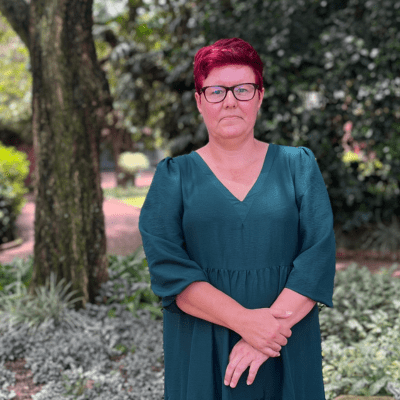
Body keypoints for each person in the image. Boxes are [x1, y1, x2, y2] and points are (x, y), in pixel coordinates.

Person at [139, 38, 336, 400]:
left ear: (259, 96)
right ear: (199, 101)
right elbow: (170, 272)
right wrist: (247, 324)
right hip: (201, 347)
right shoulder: (173, 178)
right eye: (216, 91)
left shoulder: (298, 167)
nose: (230, 101)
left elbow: (317, 258)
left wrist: (265, 337)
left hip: (285, 343)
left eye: (242, 89)